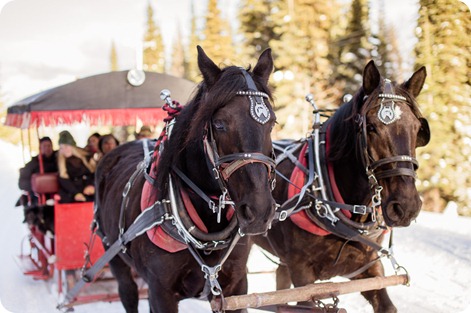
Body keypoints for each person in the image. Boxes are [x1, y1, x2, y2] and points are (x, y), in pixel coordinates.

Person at [57, 131, 96, 203]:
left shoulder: (87, 158)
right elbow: (64, 181)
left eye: (66, 146)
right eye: (61, 148)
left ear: (72, 146)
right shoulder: (61, 163)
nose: (64, 150)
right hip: (71, 193)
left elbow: (94, 174)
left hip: (89, 190)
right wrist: (75, 193)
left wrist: (91, 186)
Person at [18, 137, 58, 207]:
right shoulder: (33, 163)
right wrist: (37, 185)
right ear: (40, 148)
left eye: (49, 146)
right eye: (44, 146)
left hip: (57, 194)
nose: (47, 148)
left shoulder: (58, 159)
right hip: (39, 196)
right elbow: (22, 183)